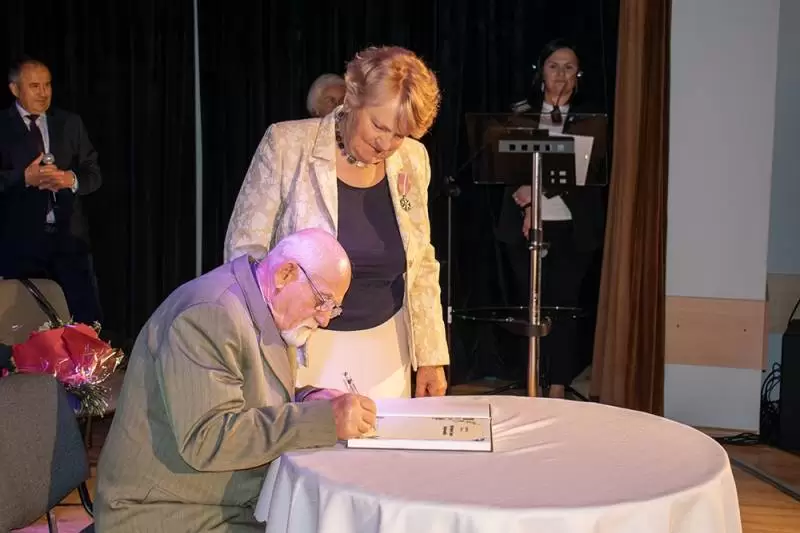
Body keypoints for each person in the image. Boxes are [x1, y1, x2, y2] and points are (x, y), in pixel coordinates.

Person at [94, 228, 377, 532]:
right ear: (285, 274)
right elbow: (208, 438)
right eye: (322, 301)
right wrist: (322, 419)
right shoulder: (210, 313)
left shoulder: (263, 305)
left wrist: (308, 399)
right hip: (164, 511)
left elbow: (244, 393)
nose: (324, 319)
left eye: (333, 308)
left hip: (216, 500)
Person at [225, 46, 448, 399]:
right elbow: (244, 254)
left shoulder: (413, 159)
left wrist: (431, 357)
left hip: (388, 351)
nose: (386, 143)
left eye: (399, 134)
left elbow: (421, 263)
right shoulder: (287, 146)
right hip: (301, 352)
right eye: (379, 125)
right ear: (353, 97)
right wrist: (257, 349)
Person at [496, 39, 606, 398]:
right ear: (541, 72)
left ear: (579, 76)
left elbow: (583, 171)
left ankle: (558, 386)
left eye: (569, 67)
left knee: (563, 308)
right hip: (524, 226)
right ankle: (533, 381)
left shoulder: (590, 119)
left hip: (572, 228)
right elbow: (505, 168)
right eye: (553, 66)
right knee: (530, 308)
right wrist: (527, 201)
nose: (561, 74)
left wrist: (538, 188)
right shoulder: (520, 115)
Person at [0, 57, 103, 324]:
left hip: (69, 241)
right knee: (25, 323)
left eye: (47, 85)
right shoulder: (2, 126)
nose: (43, 93)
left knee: (85, 320)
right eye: (34, 86)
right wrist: (24, 177)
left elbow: (94, 174)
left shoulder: (69, 123)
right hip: (20, 245)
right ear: (14, 89)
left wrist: (71, 179)